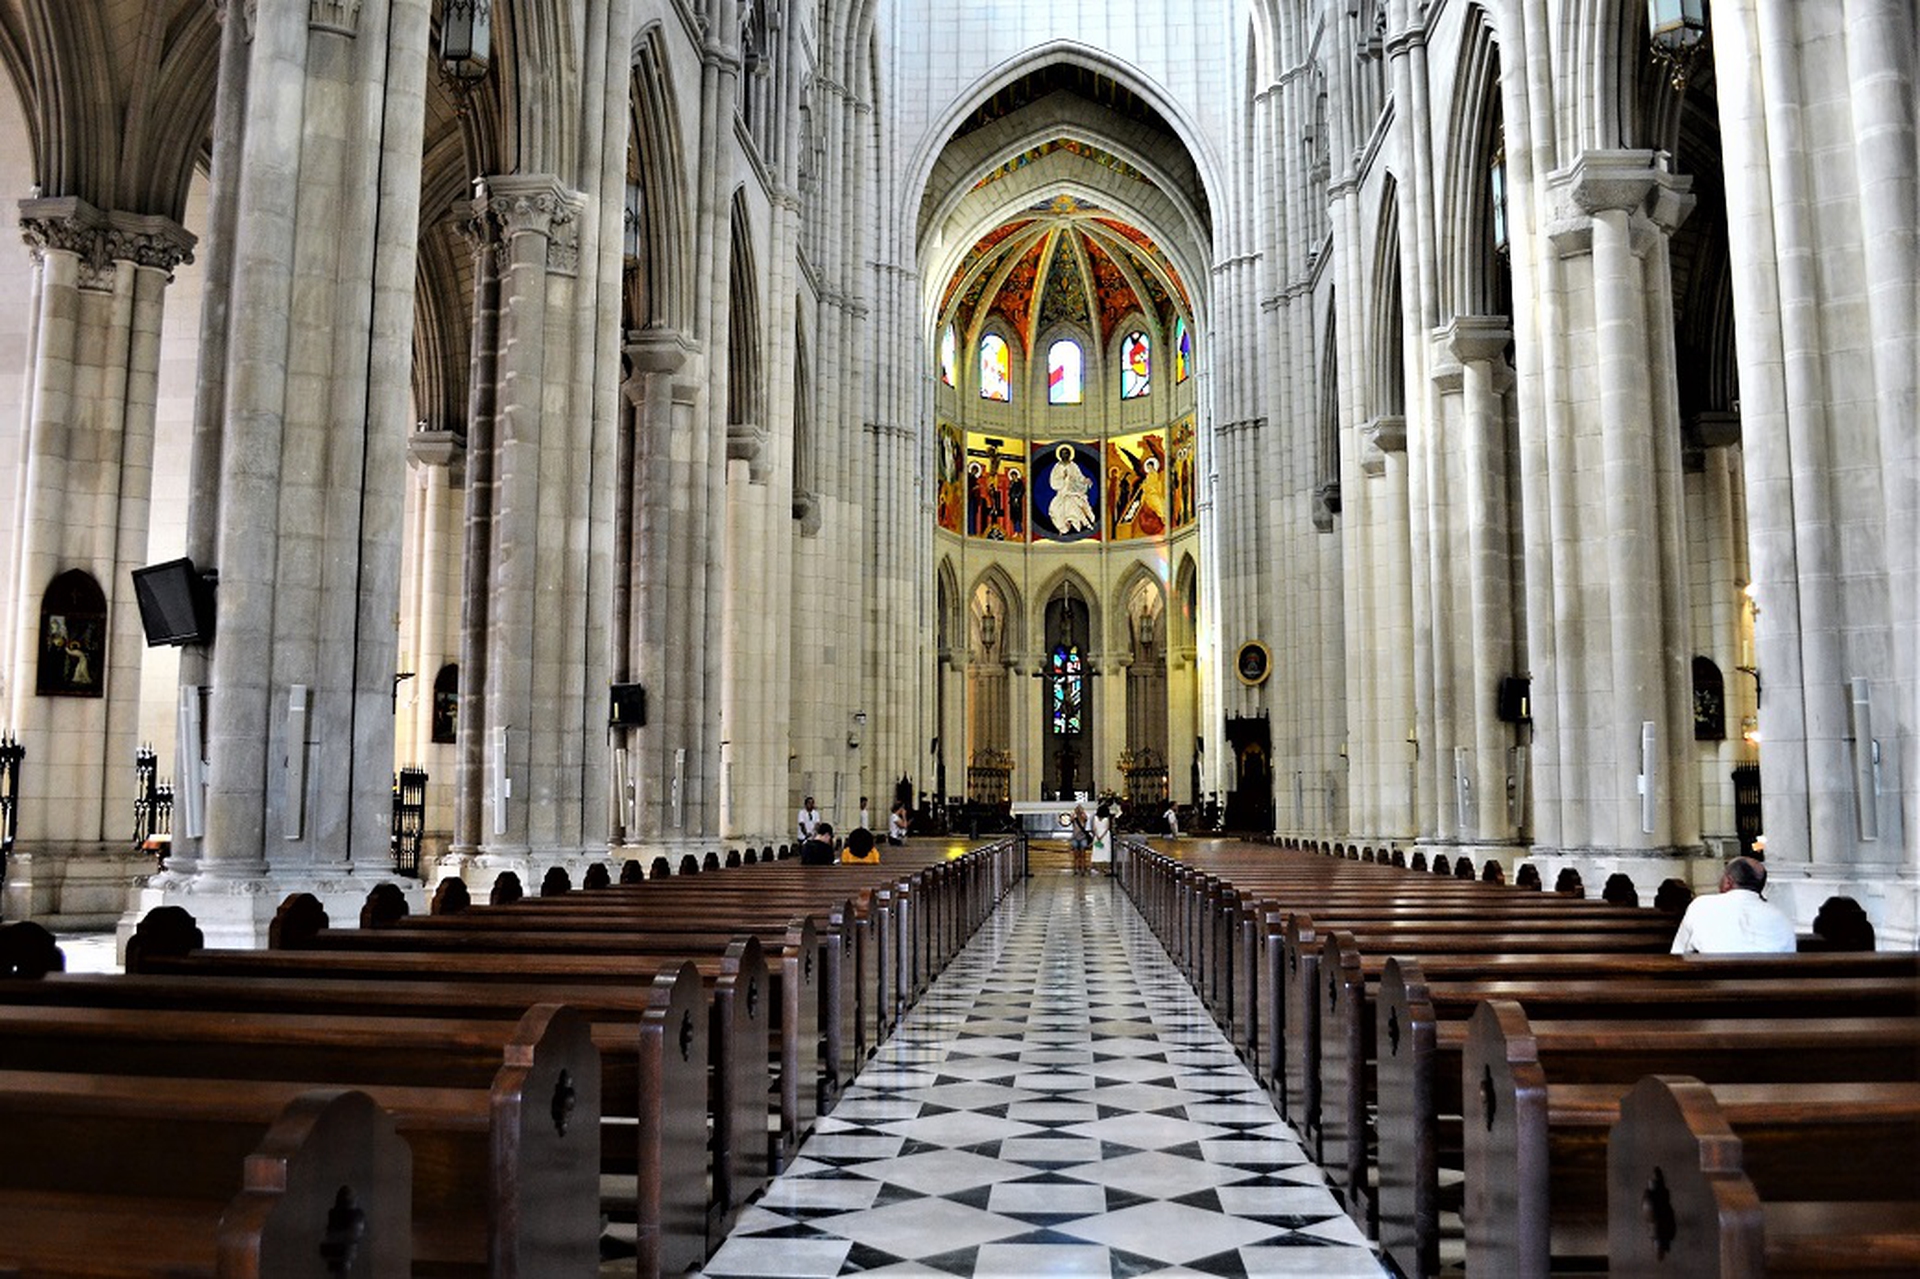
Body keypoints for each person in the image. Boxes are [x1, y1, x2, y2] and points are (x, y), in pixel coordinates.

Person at [1669, 856, 1797, 954]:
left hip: (1714, 984)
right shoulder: (1780, 916)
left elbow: (1678, 954)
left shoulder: (1701, 906)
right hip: (1772, 987)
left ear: (1728, 882)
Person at [1068, 804, 1091, 876]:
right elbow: (1071, 819)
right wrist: (1074, 812)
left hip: (1083, 838)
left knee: (1083, 855)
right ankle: (1076, 869)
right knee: (1076, 856)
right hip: (1075, 838)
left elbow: (1086, 817)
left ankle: (1083, 869)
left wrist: (1082, 811)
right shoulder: (1074, 820)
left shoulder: (1084, 819)